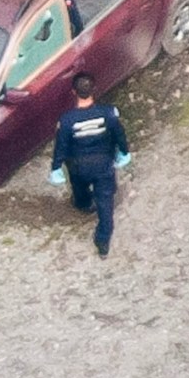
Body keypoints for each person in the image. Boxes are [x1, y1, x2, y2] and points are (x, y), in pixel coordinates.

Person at [48, 72, 131, 259]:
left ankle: (83, 204)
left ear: (73, 92)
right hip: (103, 166)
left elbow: (61, 146)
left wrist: (56, 167)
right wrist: (124, 152)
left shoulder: (67, 120)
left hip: (78, 166)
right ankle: (102, 243)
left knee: (79, 189)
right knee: (106, 205)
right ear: (94, 90)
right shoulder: (108, 113)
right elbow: (119, 135)